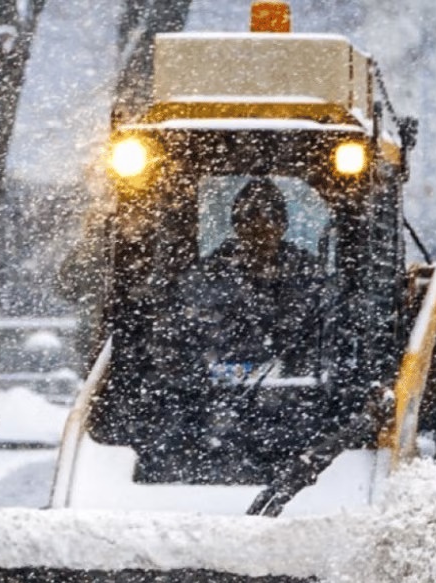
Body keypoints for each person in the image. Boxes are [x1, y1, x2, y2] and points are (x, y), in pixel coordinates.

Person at [141, 177, 329, 485]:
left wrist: (288, 369)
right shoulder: (206, 277)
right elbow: (180, 338)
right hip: (209, 404)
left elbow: (324, 336)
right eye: (250, 219)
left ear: (282, 225)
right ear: (237, 225)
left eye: (269, 219)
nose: (260, 229)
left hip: (296, 404)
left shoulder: (308, 276)